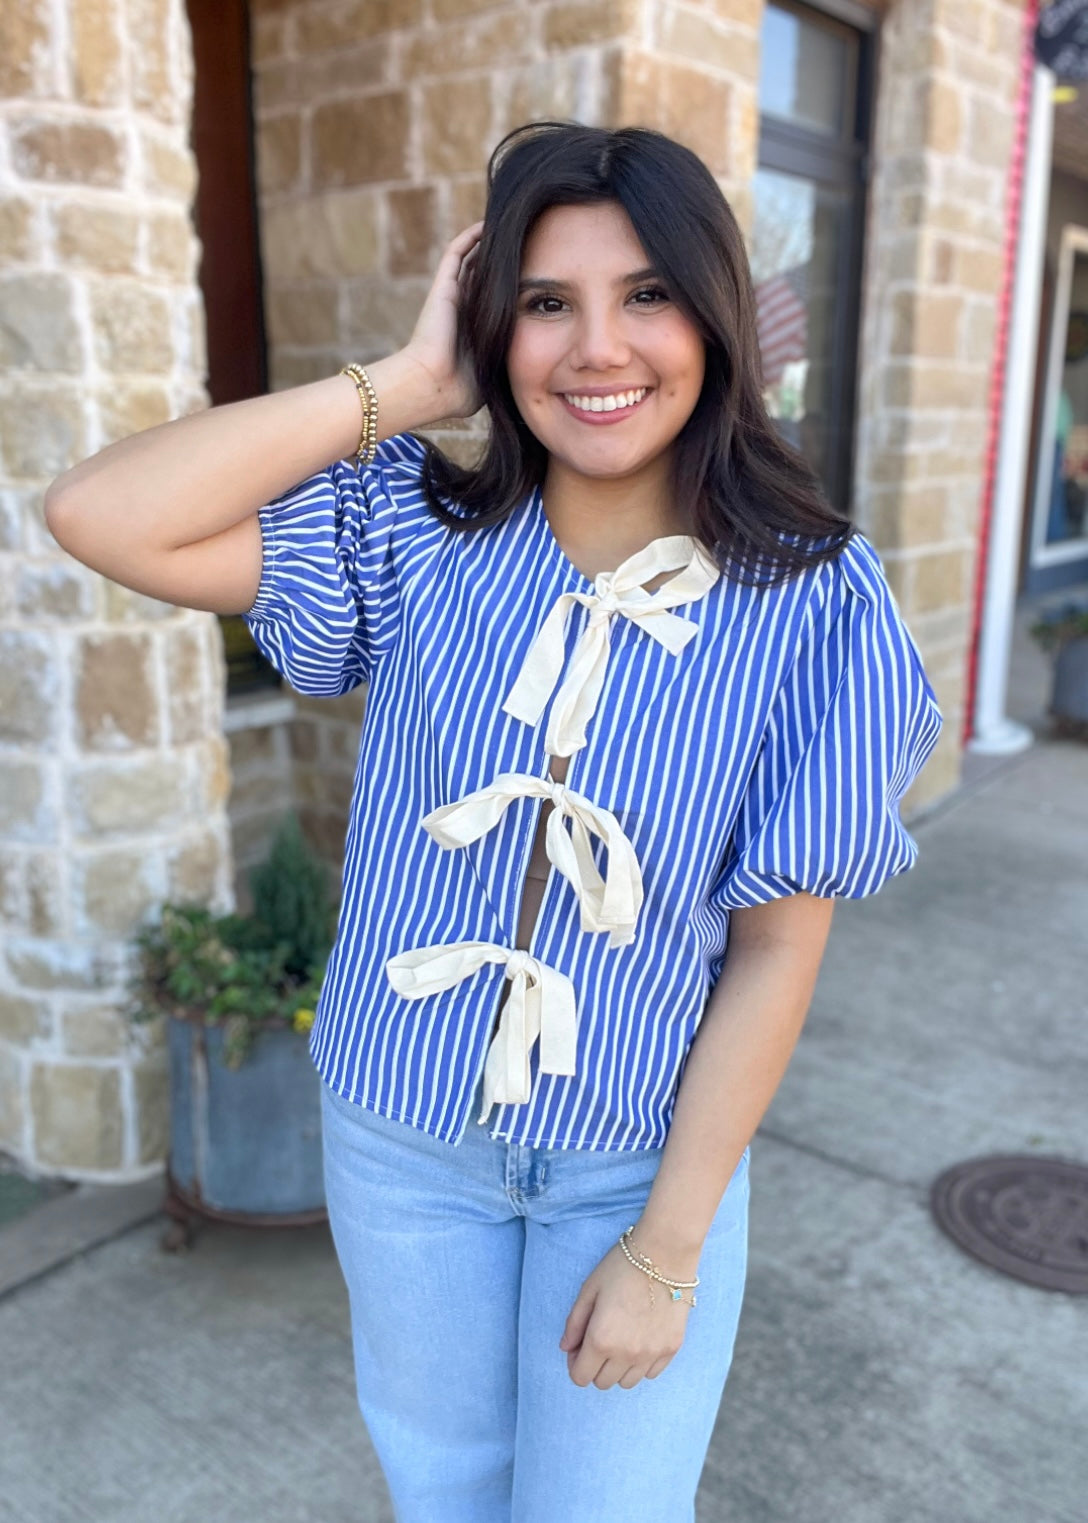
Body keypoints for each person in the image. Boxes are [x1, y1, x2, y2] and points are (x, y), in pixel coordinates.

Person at [45, 121, 943, 1523]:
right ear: (494, 324)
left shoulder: (816, 601)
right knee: (445, 1495)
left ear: (710, 313)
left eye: (646, 294)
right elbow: (104, 514)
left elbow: (778, 950)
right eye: (546, 302)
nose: (599, 348)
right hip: (401, 1140)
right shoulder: (410, 531)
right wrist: (402, 386)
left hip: (632, 1160)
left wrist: (666, 1246)